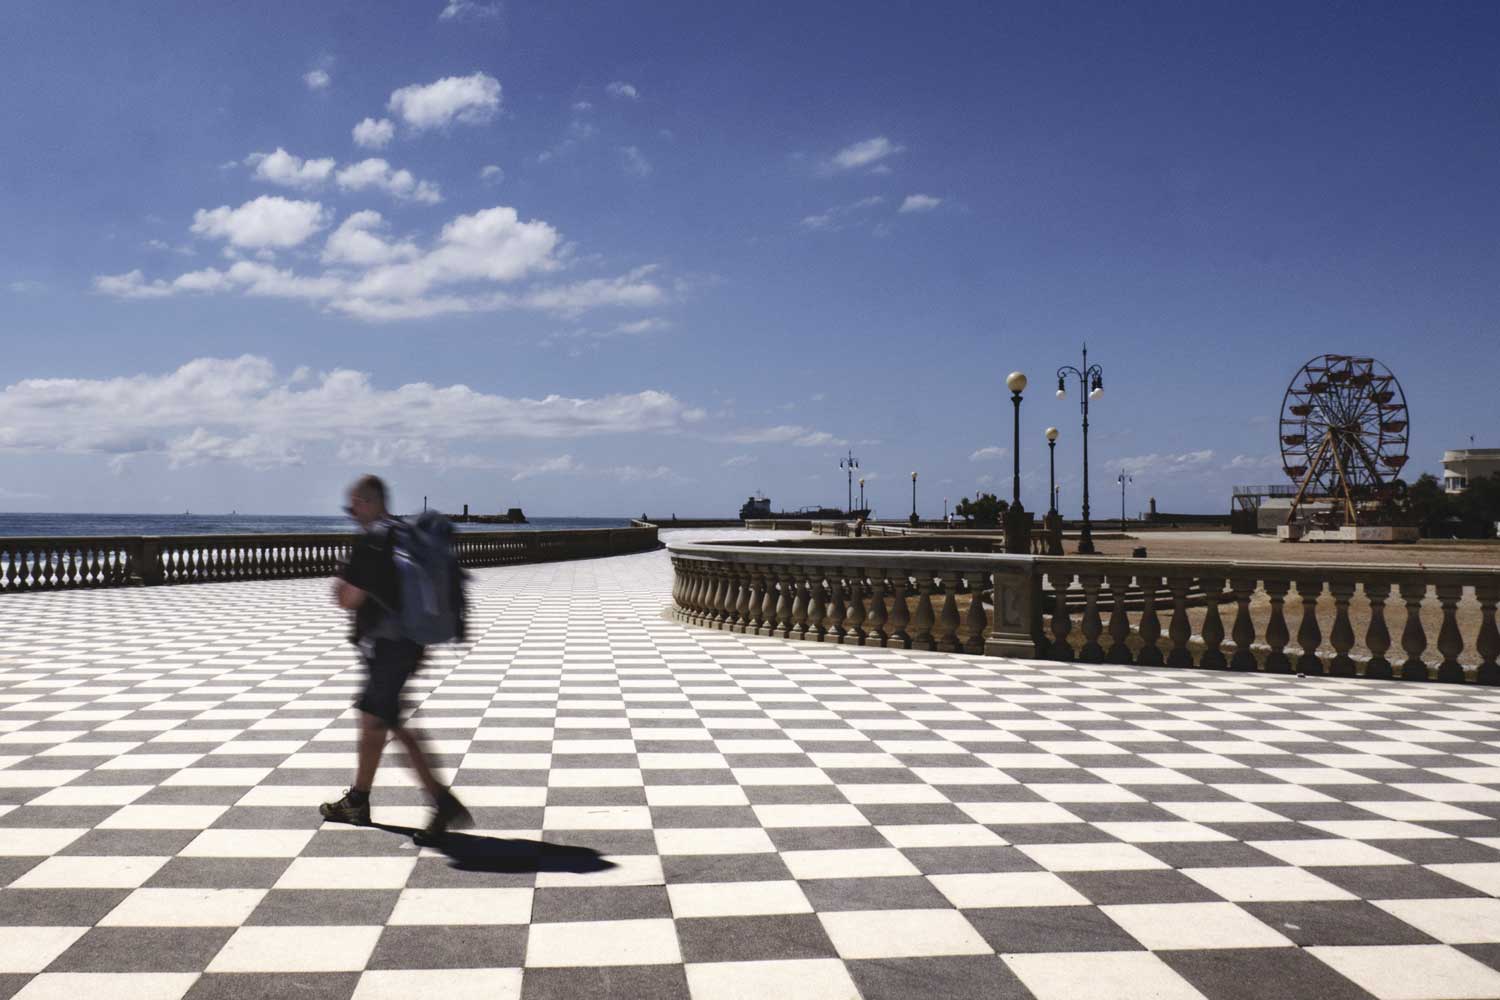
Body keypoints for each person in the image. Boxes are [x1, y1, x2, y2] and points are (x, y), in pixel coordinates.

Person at [320, 474, 470, 844]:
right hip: (406, 645)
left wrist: (340, 582)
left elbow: (347, 599)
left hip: (388, 648)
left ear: (368, 502)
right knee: (375, 721)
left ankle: (440, 800)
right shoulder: (403, 534)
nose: (350, 513)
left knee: (391, 723)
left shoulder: (373, 543)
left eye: (353, 505)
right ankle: (358, 799)